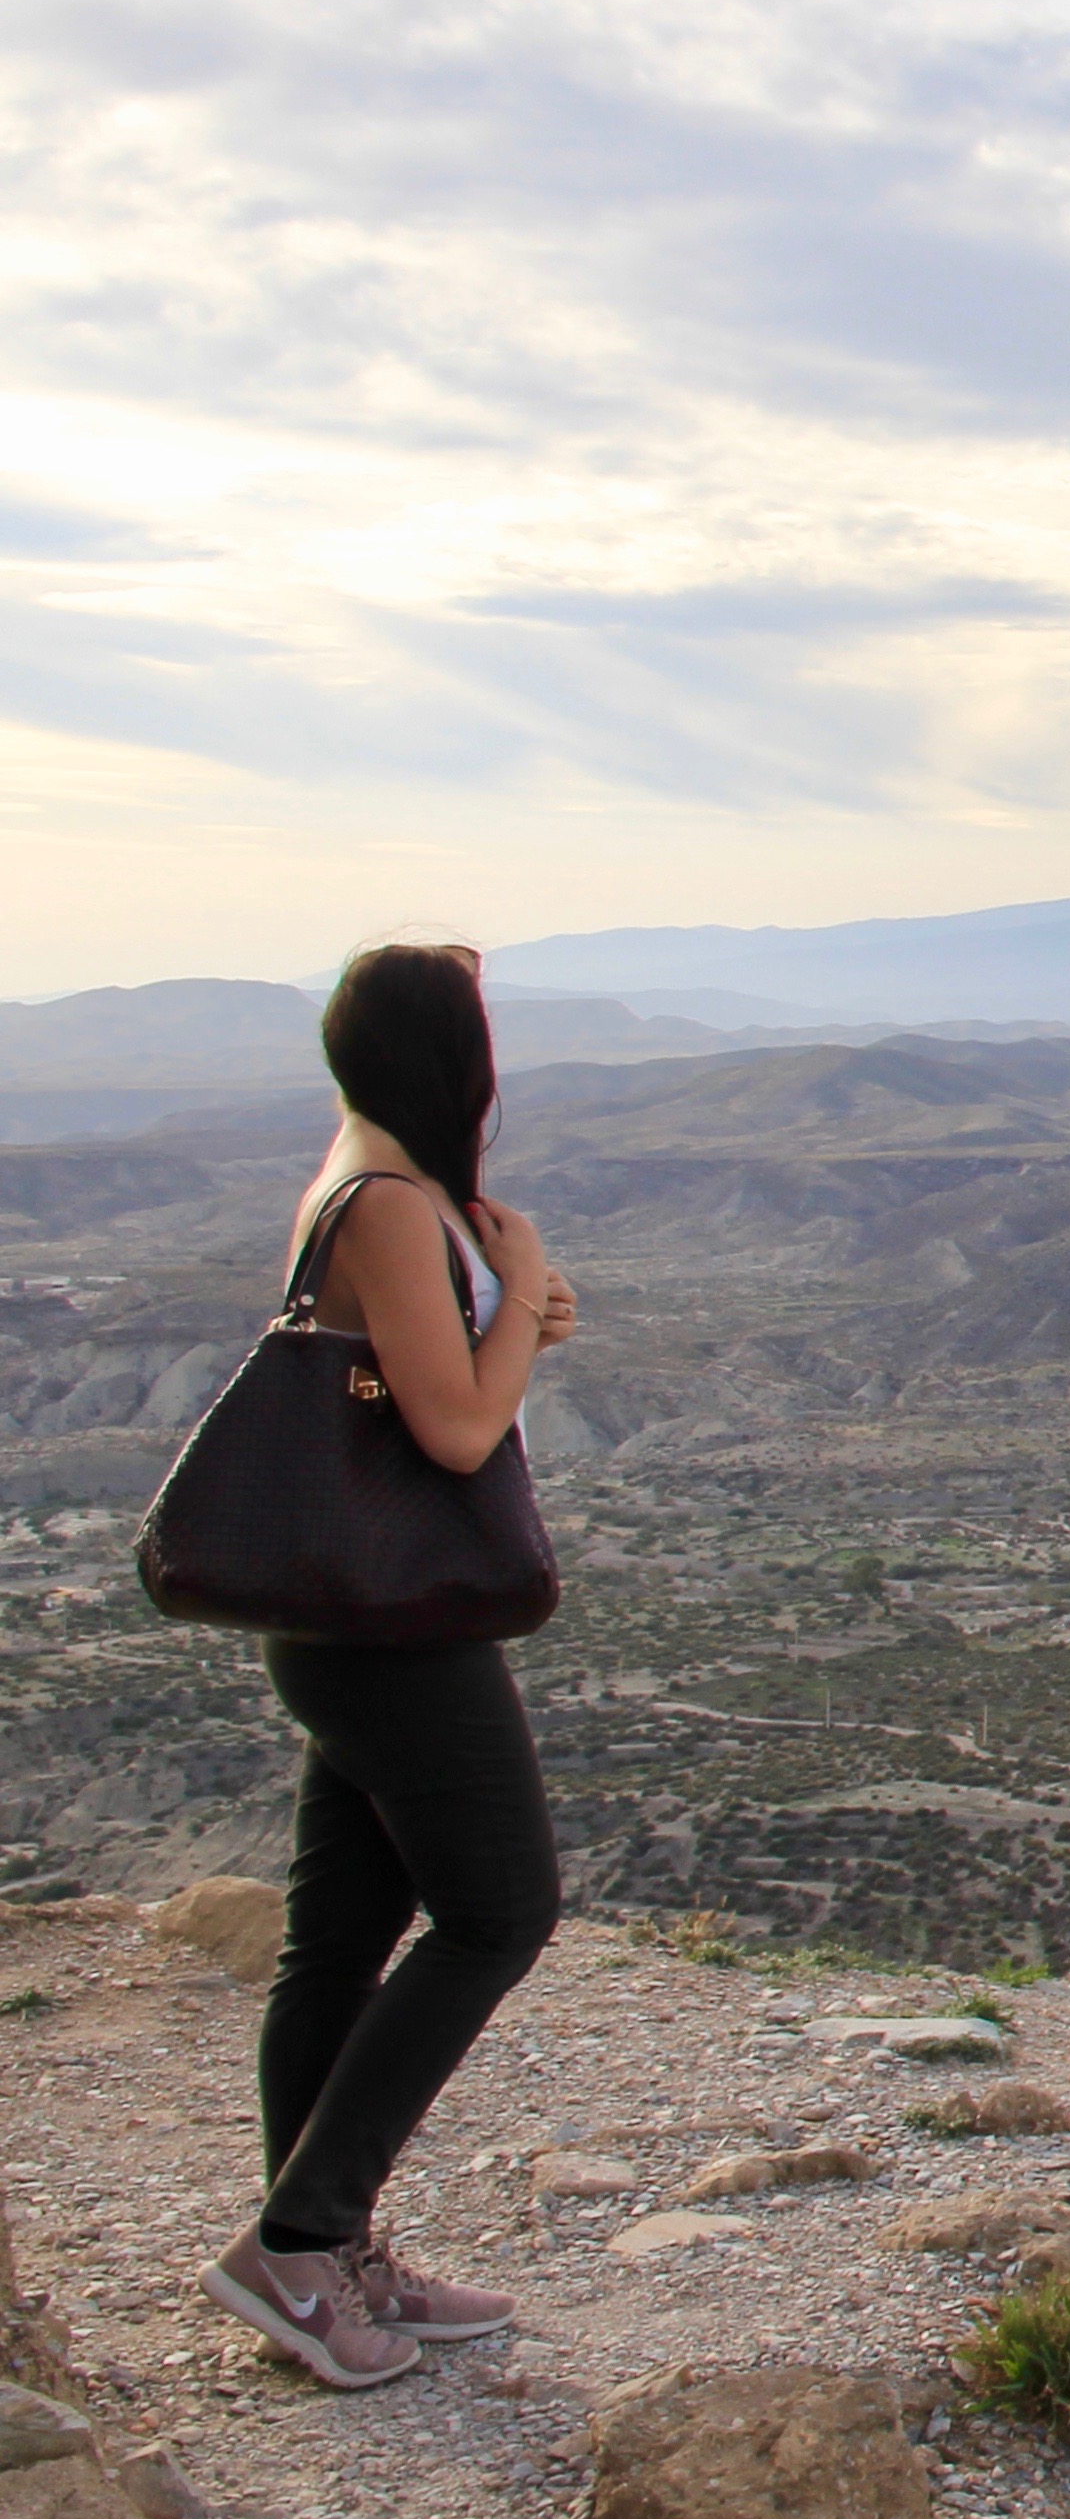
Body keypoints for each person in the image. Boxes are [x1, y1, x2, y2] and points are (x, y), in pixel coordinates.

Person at [200, 943, 578, 2389]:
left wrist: (513, 1308)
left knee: (338, 1942)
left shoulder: (362, 1174)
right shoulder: (386, 1206)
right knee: (502, 1907)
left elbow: (446, 1374)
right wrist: (524, 1282)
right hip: (396, 1634)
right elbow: (461, 1433)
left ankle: (326, 2252)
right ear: (455, 1059)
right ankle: (298, 2240)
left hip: (348, 1628)